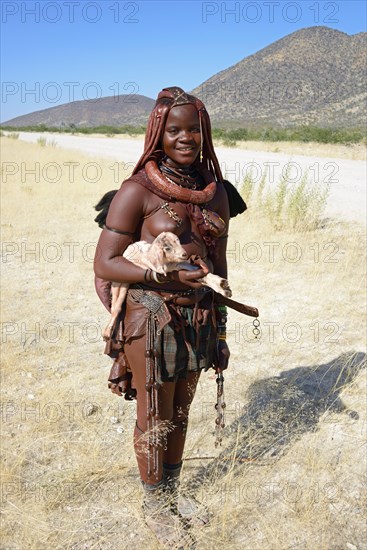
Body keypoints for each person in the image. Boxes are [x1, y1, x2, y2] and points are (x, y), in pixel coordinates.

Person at [93, 86, 246, 546]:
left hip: (199, 318)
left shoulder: (216, 193)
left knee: (181, 410)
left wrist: (220, 328)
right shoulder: (136, 190)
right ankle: (155, 504)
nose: (185, 138)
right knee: (155, 411)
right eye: (174, 129)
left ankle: (172, 493)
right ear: (158, 133)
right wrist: (168, 279)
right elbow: (106, 263)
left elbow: (219, 267)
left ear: (205, 133)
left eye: (193, 129)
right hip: (151, 319)